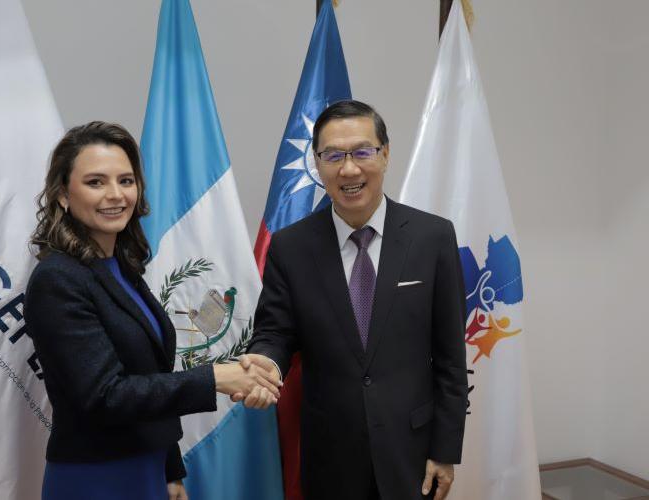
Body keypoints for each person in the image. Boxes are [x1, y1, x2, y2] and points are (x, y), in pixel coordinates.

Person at [24, 121, 281, 500]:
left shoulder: (121, 268)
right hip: (96, 479)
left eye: (126, 180)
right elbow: (105, 396)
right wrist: (216, 379)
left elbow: (146, 374)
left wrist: (169, 470)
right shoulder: (57, 279)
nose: (116, 195)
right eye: (96, 182)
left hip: (145, 468)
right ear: (63, 194)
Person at [242, 100, 468, 500]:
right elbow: (275, 332)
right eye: (333, 155)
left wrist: (445, 450)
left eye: (363, 151)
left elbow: (450, 357)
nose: (349, 169)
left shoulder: (432, 238)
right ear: (317, 162)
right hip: (330, 454)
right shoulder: (291, 247)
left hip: (412, 455)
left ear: (385, 154)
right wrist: (266, 363)